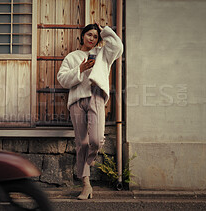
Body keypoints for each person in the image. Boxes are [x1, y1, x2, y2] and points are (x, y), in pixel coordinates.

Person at [57, 23, 123, 200]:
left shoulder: (103, 53)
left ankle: (89, 160)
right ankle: (86, 185)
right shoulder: (72, 57)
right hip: (77, 101)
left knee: (96, 139)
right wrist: (80, 69)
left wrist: (105, 31)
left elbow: (118, 46)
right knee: (82, 143)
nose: (92, 39)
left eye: (95, 36)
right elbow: (62, 79)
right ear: (83, 35)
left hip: (96, 97)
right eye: (89, 35)